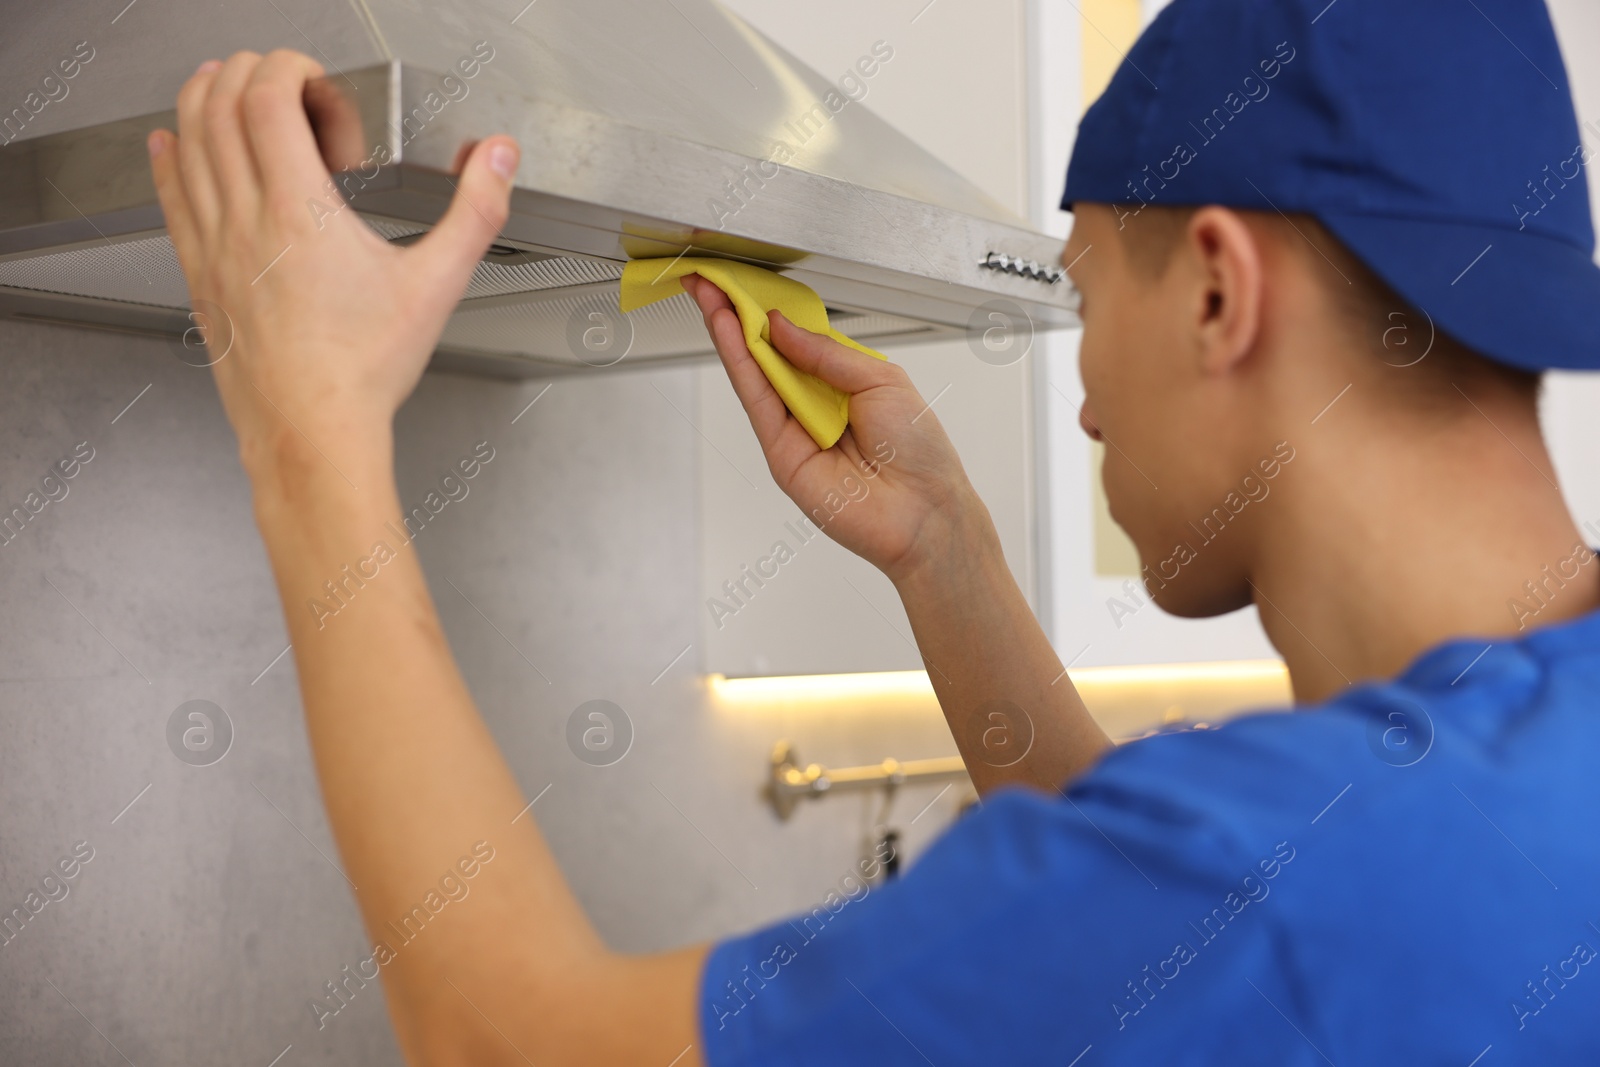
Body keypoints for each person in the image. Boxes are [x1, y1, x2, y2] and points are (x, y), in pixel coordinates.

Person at [145, 0, 1600, 1062]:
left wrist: (310, 426)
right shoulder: (1458, 791)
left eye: (1089, 303)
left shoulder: (1277, 880)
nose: (1084, 404)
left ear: (1220, 292)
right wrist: (943, 552)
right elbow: (1182, 932)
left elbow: (505, 1045)